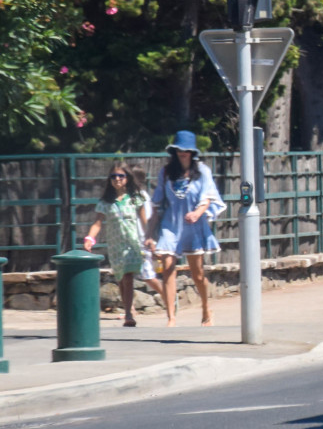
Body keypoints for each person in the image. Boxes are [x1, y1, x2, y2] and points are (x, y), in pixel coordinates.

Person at [146, 131, 225, 327]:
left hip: (193, 227)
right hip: (170, 226)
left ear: (193, 152)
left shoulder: (203, 171)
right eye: (179, 149)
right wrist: (149, 234)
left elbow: (208, 198)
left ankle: (206, 307)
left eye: (187, 150)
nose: (183, 153)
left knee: (197, 274)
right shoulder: (166, 172)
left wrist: (197, 213)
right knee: (167, 269)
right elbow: (157, 205)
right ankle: (171, 316)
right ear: (174, 151)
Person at [84, 162, 149, 327]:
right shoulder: (106, 202)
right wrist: (90, 239)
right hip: (115, 245)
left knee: (128, 277)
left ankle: (128, 313)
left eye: (121, 176)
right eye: (114, 176)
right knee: (121, 278)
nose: (117, 179)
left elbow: (144, 221)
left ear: (127, 178)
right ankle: (128, 309)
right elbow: (98, 223)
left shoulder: (135, 199)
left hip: (132, 244)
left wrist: (150, 238)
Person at [131, 164, 164, 300]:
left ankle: (168, 296)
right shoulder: (125, 197)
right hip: (128, 241)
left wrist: (149, 239)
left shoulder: (142, 197)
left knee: (148, 276)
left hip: (141, 241)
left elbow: (147, 220)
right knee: (125, 276)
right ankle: (130, 310)